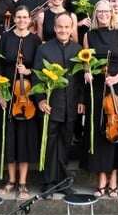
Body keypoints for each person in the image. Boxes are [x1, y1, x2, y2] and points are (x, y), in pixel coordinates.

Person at [83, 0, 118, 198]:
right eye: (100, 11)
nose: (103, 14)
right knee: (99, 131)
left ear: (112, 13)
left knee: (117, 132)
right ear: (95, 14)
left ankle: (113, 179)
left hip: (117, 86)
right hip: (97, 87)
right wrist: (87, 71)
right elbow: (85, 60)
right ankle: (101, 179)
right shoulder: (89, 35)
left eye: (107, 11)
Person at [32, 12, 83, 196]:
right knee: (49, 144)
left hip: (70, 107)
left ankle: (62, 182)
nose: (63, 30)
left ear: (71, 29)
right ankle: (48, 183)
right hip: (50, 106)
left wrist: (81, 100)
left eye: (66, 27)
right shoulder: (44, 49)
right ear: (54, 28)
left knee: (64, 145)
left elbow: (80, 79)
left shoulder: (78, 49)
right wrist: (41, 100)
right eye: (59, 27)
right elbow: (35, 75)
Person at [0, 5, 41, 199]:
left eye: (25, 17)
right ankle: (10, 180)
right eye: (19, 17)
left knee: (24, 140)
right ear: (14, 18)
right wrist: (0, 92)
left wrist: (29, 72)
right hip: (9, 93)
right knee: (10, 139)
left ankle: (22, 183)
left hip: (27, 96)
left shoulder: (35, 40)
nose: (22, 20)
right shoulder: (6, 38)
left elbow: (39, 67)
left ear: (29, 20)